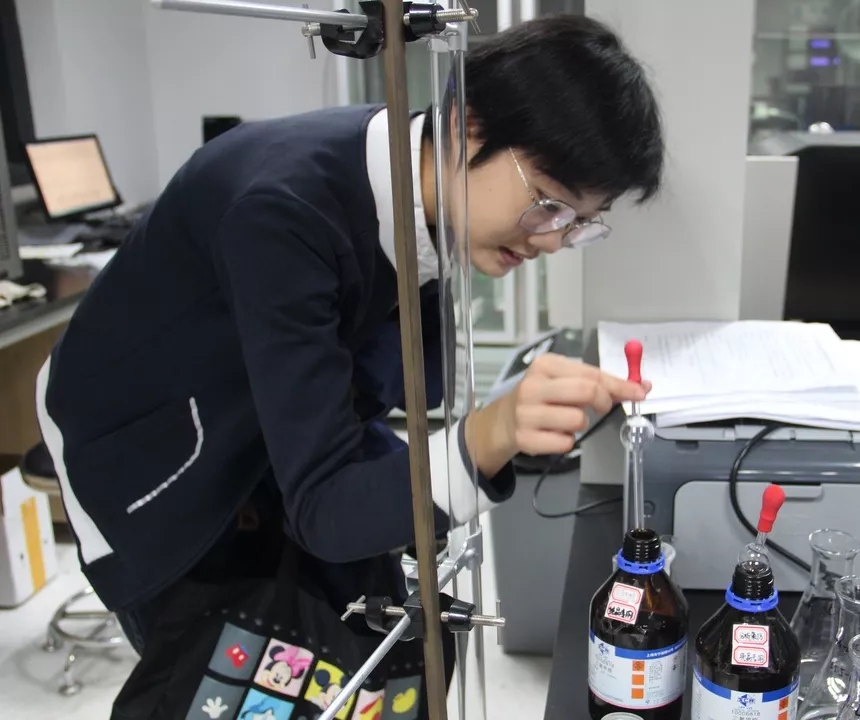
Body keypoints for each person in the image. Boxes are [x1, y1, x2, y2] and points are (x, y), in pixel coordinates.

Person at [36, 12, 661, 671]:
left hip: (271, 437)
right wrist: (494, 432)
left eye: (581, 223)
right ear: (466, 124)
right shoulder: (283, 213)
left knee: (385, 654)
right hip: (152, 456)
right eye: (550, 204)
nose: (553, 240)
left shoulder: (422, 184)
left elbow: (386, 395)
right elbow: (326, 510)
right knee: (230, 676)